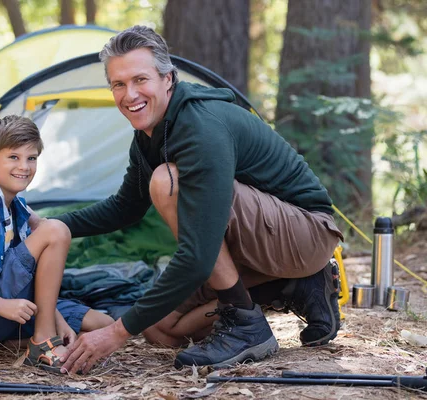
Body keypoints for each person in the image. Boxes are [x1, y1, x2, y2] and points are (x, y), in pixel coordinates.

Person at [54, 25, 344, 374]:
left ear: (168, 79)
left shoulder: (199, 127)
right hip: (266, 241)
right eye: (118, 84)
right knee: (160, 329)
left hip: (306, 233)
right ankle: (293, 287)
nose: (129, 94)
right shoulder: (149, 135)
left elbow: (198, 255)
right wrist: (48, 223)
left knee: (166, 182)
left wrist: (114, 333)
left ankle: (246, 325)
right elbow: (125, 207)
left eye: (140, 80)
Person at [0, 115, 113, 373]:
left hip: (10, 304)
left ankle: (13, 340)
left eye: (32, 158)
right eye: (13, 157)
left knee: (103, 324)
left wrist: (57, 319)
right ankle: (42, 342)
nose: (24, 166)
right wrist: (2, 306)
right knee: (56, 230)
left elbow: (28, 272)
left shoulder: (17, 207)